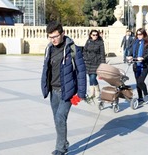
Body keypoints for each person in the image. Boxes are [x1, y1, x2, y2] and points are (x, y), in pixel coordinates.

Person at [41, 21, 87, 155]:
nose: (53, 40)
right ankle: (64, 143)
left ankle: (60, 149)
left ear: (63, 33)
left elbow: (81, 71)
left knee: (60, 117)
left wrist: (81, 93)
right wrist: (44, 85)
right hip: (53, 91)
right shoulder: (49, 48)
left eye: (55, 36)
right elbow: (46, 69)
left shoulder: (72, 49)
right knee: (57, 119)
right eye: (50, 37)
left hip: (67, 92)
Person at [127, 28, 148, 105]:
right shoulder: (135, 41)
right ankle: (140, 98)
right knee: (137, 83)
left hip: (144, 64)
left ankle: (146, 94)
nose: (139, 36)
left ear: (144, 34)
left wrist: (143, 58)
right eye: (137, 34)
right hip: (136, 64)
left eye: (140, 34)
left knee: (140, 81)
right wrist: (130, 56)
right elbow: (131, 50)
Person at [83, 30, 106, 99]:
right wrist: (86, 57)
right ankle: (91, 93)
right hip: (88, 62)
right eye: (93, 35)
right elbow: (84, 50)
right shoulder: (88, 41)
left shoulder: (100, 42)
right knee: (90, 78)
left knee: (93, 77)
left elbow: (102, 53)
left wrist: (103, 64)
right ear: (90, 35)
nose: (95, 36)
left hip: (97, 62)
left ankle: (97, 91)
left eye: (96, 35)